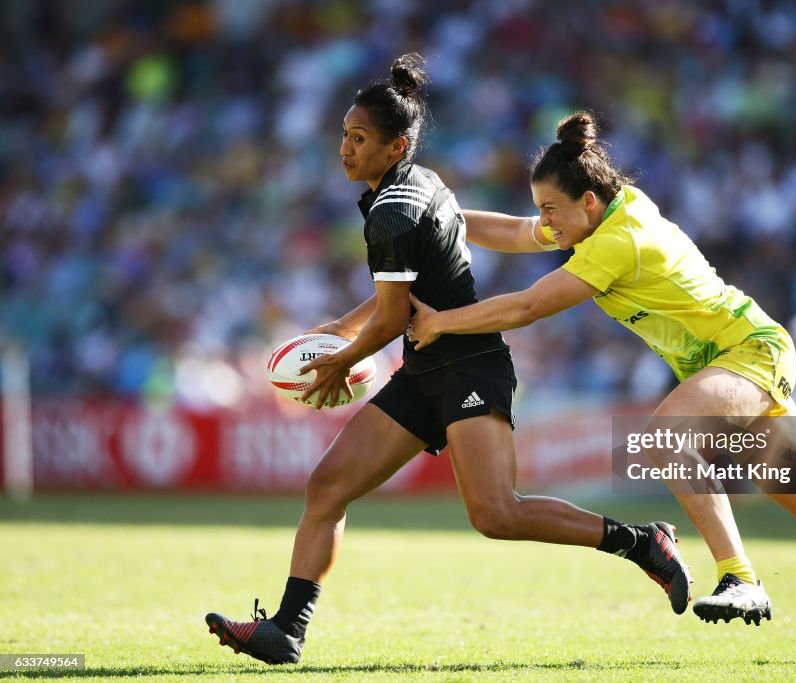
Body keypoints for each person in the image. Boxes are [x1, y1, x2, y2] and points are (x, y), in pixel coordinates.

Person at [408, 111, 796, 627]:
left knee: (666, 437)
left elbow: (527, 305)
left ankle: (741, 577)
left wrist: (439, 323)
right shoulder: (601, 216)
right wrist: (438, 217)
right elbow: (516, 233)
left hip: (749, 352)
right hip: (738, 360)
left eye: (552, 210)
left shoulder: (619, 240)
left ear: (587, 201)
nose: (546, 223)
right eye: (542, 210)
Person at [204, 58, 692, 666]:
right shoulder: (419, 184)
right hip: (424, 367)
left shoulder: (393, 211)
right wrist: (343, 328)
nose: (344, 150)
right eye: (344, 135)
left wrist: (341, 360)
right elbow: (403, 290)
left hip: (469, 364)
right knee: (327, 487)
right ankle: (287, 629)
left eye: (359, 139)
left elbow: (390, 317)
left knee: (496, 514)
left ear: (396, 145)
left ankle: (644, 543)